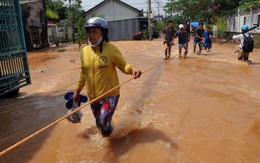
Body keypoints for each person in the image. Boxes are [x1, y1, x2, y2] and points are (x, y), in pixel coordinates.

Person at [72, 17, 142, 137]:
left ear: (103, 33)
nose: (91, 35)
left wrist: (133, 69)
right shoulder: (84, 51)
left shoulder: (111, 49)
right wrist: (77, 91)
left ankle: (115, 140)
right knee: (102, 128)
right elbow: (84, 73)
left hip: (110, 95)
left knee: (101, 122)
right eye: (89, 32)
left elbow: (123, 65)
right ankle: (112, 136)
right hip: (93, 98)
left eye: (95, 31)